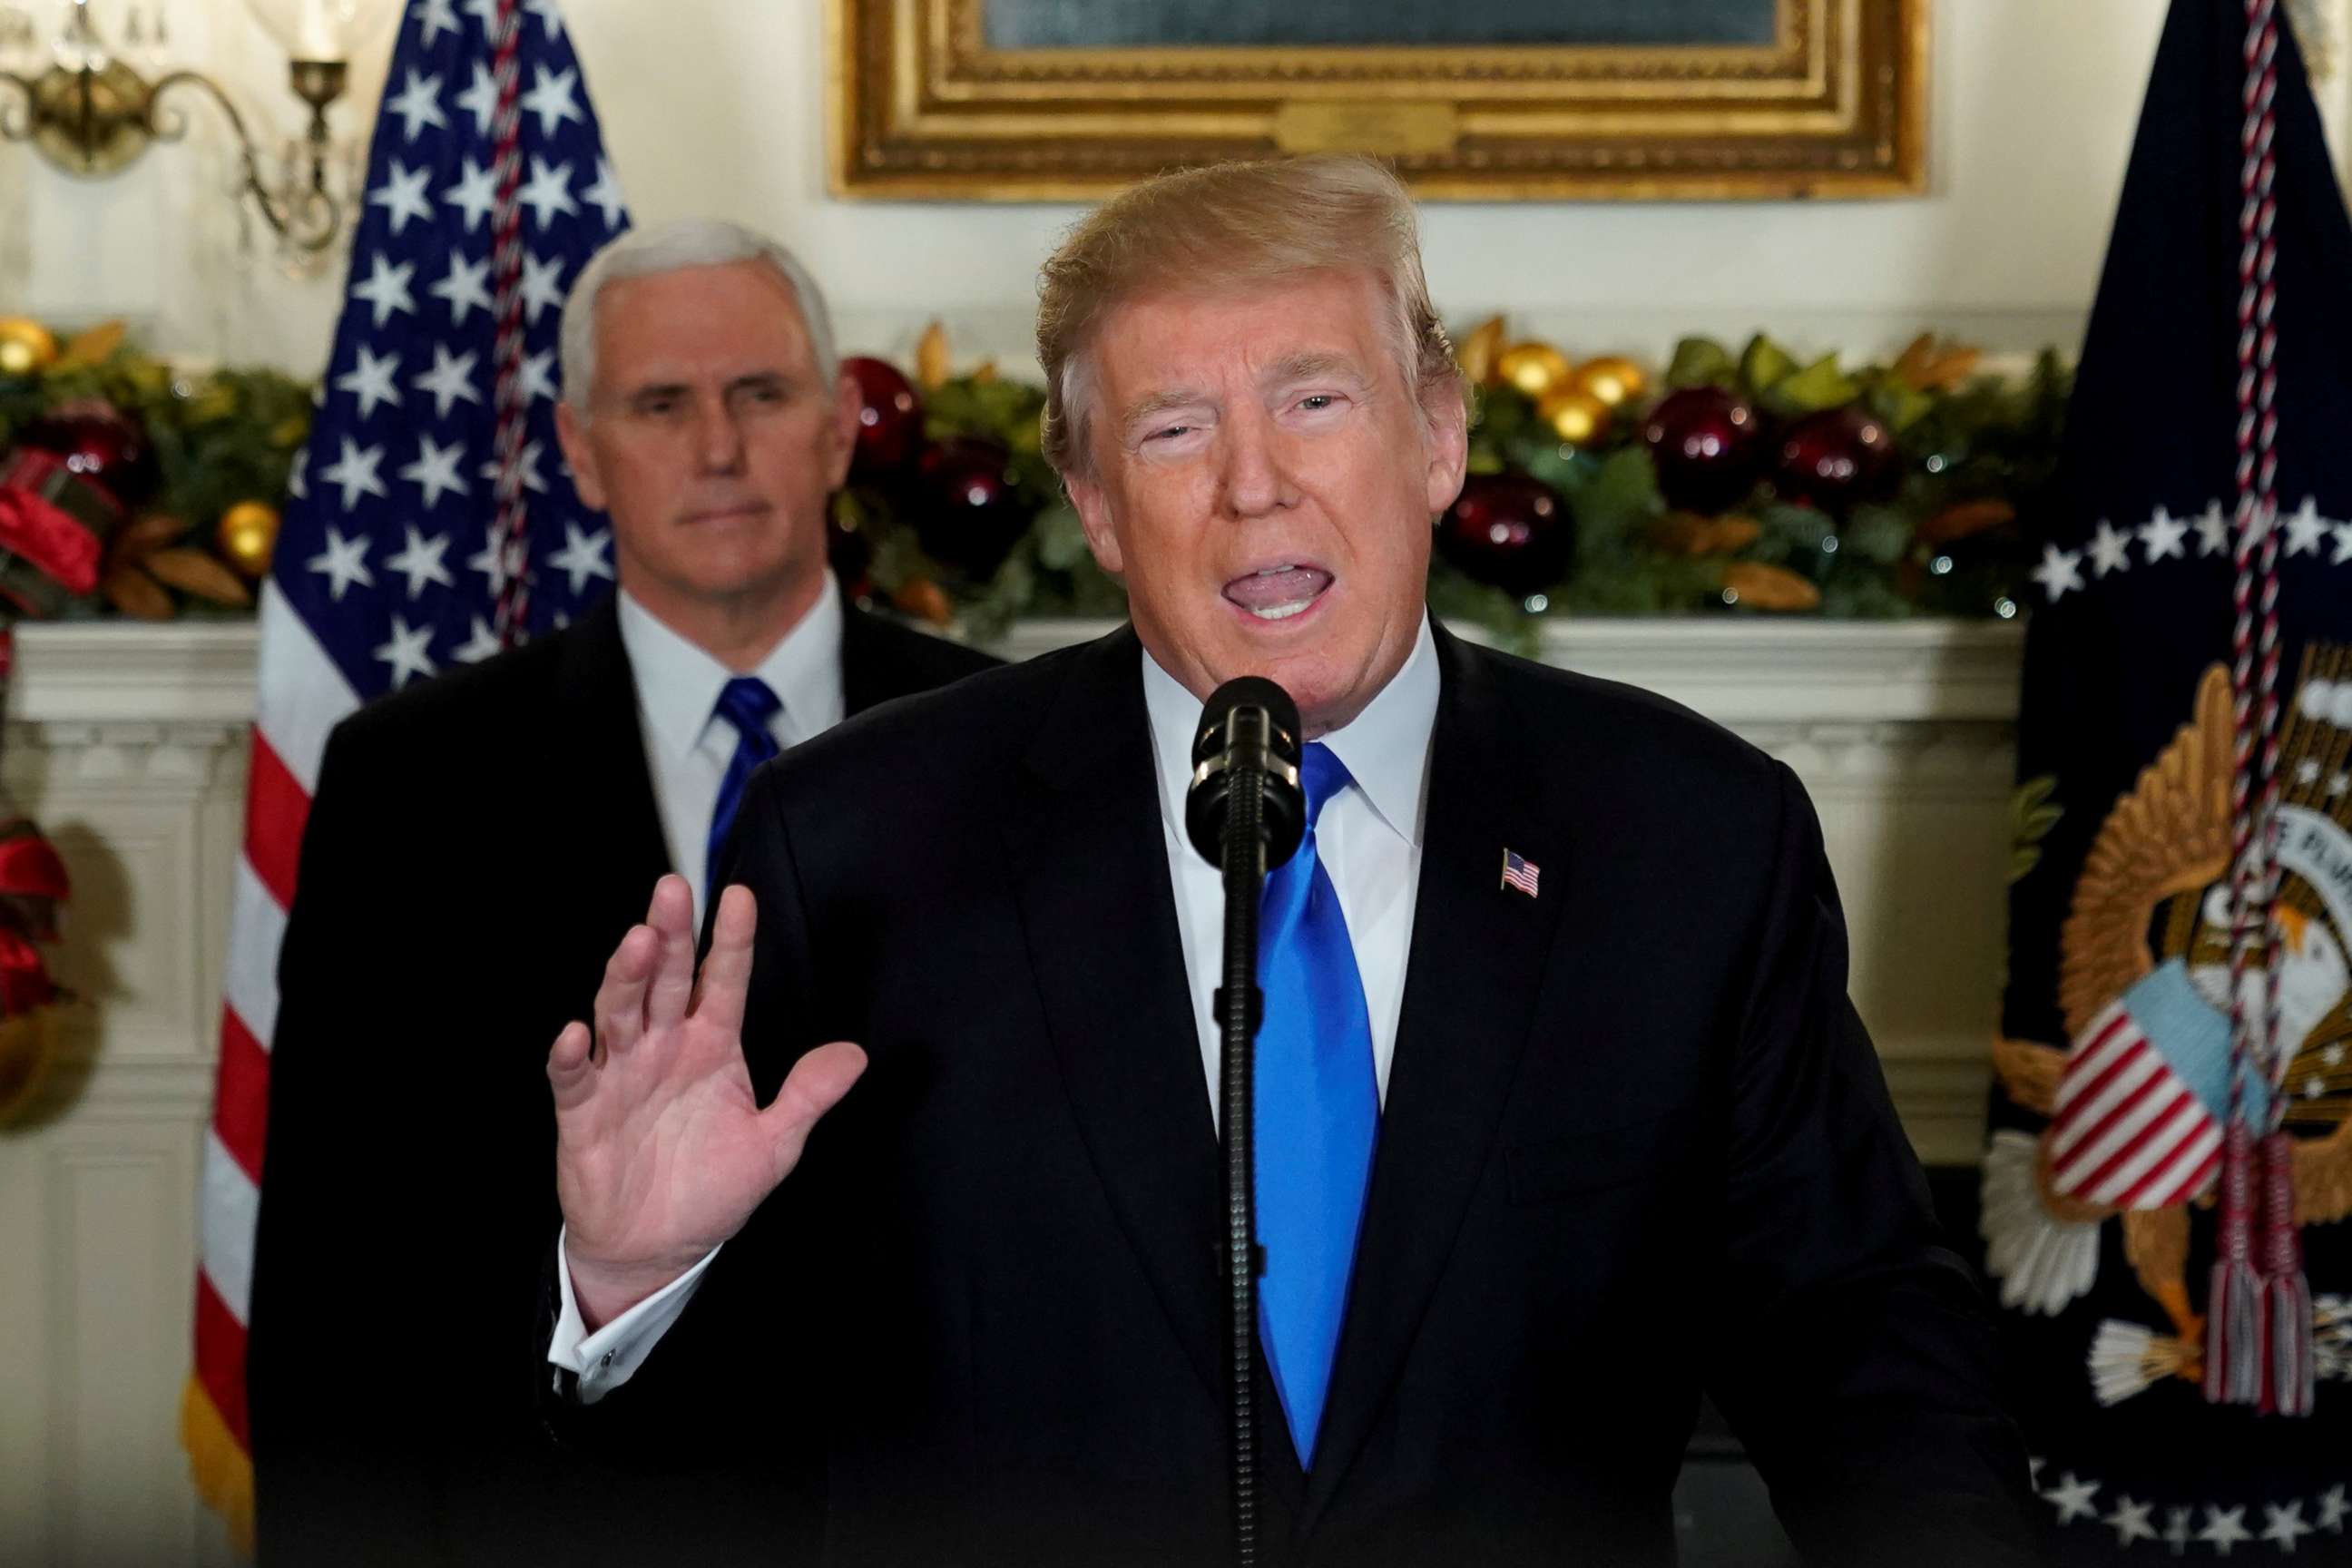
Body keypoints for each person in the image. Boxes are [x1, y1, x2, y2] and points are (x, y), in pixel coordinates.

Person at [537, 160, 2039, 1566]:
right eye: (1173, 428)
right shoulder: (863, 843)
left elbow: (1862, 1347)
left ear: (1437, 437)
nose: (1252, 484)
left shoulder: (1688, 837)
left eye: (1314, 400)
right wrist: (635, 1281)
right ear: (1099, 509)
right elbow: (735, 1457)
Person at [247, 219, 997, 1566]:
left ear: (836, 431)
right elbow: (336, 1280)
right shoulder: (410, 780)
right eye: (662, 404)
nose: (717, 447)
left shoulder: (1011, 744)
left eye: (759, 395)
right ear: (583, 454)